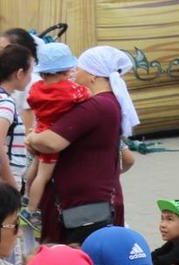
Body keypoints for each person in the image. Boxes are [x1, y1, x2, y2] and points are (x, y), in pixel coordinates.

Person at [25, 46, 136, 244]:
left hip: (83, 206)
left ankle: (29, 209)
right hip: (92, 201)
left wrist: (32, 137)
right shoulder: (106, 103)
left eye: (80, 68)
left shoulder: (96, 106)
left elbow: (51, 142)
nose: (74, 72)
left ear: (93, 75)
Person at [19, 43, 91, 236]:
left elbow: (31, 102)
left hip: (40, 128)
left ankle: (26, 196)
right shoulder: (69, 90)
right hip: (54, 135)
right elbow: (86, 95)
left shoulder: (36, 88)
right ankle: (31, 211)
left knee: (34, 166)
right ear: (66, 70)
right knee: (44, 176)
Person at [0, 43, 32, 189]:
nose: (31, 77)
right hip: (4, 185)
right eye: (30, 72)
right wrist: (11, 183)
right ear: (19, 74)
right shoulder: (5, 102)